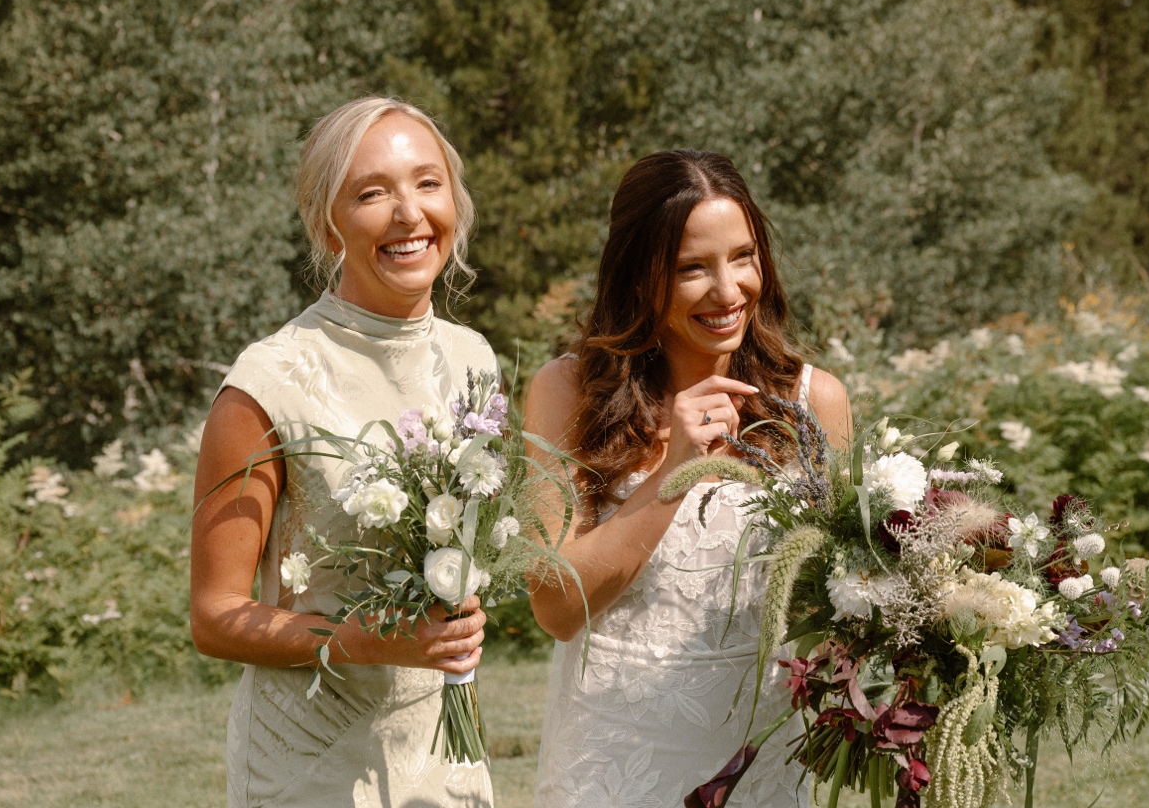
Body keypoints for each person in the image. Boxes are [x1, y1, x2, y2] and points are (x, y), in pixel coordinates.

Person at [190, 97, 496, 808]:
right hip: (312, 766)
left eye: (427, 183)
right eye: (371, 193)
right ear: (328, 224)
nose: (408, 213)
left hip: (446, 754)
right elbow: (213, 616)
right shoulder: (265, 384)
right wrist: (363, 639)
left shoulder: (474, 359)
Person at [526, 149, 852, 807]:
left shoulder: (816, 402)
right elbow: (555, 607)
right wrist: (673, 471)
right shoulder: (566, 393)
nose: (729, 291)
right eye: (691, 269)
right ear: (639, 275)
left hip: (762, 761)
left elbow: (846, 600)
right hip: (614, 761)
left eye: (743, 256)